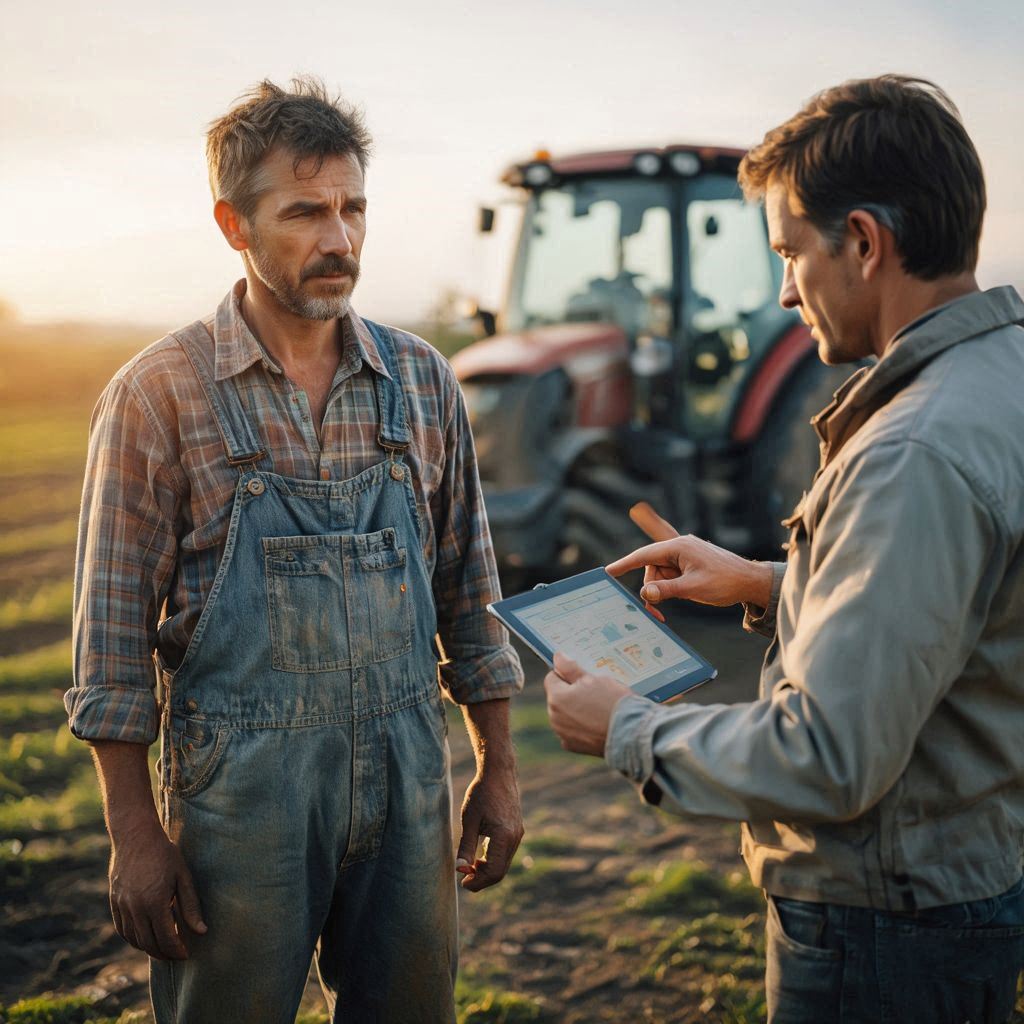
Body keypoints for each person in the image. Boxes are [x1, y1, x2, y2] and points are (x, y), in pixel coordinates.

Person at [544, 75, 1024, 1023]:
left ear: (864, 242)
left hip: (884, 926)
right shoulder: (997, 382)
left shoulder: (912, 451)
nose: (782, 289)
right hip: (959, 876)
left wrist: (627, 727)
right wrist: (773, 581)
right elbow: (959, 601)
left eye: (791, 252)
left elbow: (828, 757)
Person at [64, 77, 524, 1024]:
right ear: (235, 224)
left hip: (407, 779)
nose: (340, 239)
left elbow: (469, 591)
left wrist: (500, 767)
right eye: (306, 212)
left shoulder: (421, 380)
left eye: (354, 208)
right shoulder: (162, 394)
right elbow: (110, 641)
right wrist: (135, 835)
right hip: (240, 799)